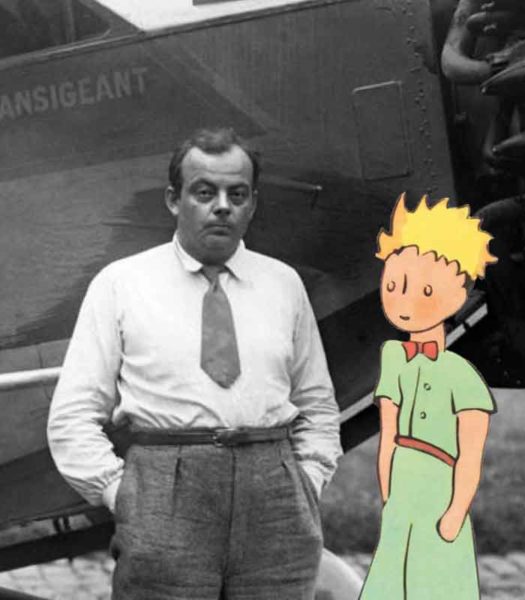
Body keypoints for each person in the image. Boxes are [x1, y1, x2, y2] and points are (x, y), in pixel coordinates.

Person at [47, 127, 342, 600]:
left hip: (276, 500)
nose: (222, 206)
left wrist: (306, 482)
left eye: (237, 194)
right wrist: (124, 496)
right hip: (164, 492)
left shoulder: (283, 284)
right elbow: (73, 415)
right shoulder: (122, 284)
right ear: (173, 199)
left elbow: (317, 404)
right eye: (204, 192)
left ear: (252, 204)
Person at [359, 194, 497, 600]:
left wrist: (454, 513)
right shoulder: (393, 359)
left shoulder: (463, 377)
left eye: (423, 289)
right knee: (389, 583)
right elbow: (388, 434)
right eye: (394, 286)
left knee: (436, 583)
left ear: (460, 290)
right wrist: (389, 493)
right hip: (402, 489)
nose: (404, 300)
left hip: (440, 487)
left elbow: (469, 455)